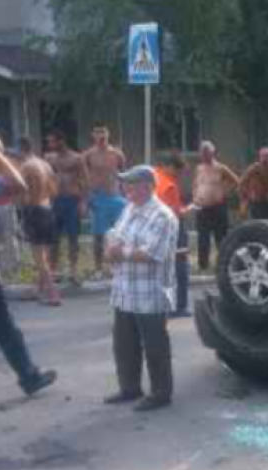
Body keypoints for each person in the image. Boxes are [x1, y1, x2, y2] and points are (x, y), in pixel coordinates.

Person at [0, 129, 58, 401]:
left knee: (8, 332)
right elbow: (19, 187)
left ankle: (30, 377)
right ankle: (29, 377)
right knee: (7, 333)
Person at [104, 165, 178, 412]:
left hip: (150, 292)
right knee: (124, 344)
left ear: (147, 186)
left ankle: (161, 393)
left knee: (155, 346)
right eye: (125, 184)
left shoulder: (163, 215)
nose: (126, 188)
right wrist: (111, 248)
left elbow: (152, 253)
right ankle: (130, 388)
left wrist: (119, 252)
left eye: (131, 184)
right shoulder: (129, 208)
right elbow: (115, 235)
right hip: (125, 290)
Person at [19, 137, 62, 306]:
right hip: (48, 209)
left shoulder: (25, 166)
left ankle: (53, 295)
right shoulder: (45, 165)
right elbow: (54, 190)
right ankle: (38, 290)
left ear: (21, 149)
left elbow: (20, 190)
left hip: (34, 211)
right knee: (44, 256)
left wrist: (23, 209)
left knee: (39, 259)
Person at [83, 124, 127, 278]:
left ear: (108, 136)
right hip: (97, 198)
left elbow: (124, 175)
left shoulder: (117, 154)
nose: (101, 138)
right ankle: (98, 268)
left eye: (103, 135)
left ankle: (117, 266)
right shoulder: (88, 155)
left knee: (119, 235)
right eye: (98, 134)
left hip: (115, 197)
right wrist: (86, 197)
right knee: (98, 236)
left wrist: (126, 196)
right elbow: (83, 177)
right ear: (93, 136)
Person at [45, 130, 89, 285]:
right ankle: (53, 270)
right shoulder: (49, 158)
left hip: (72, 201)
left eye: (52, 142)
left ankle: (73, 270)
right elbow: (45, 178)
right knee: (53, 238)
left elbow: (84, 180)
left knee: (73, 238)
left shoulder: (77, 158)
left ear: (61, 141)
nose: (50, 145)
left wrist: (83, 202)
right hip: (55, 201)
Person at [191, 141, 239, 271]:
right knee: (203, 238)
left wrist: (224, 192)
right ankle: (203, 265)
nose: (205, 155)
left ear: (213, 153)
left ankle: (225, 263)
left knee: (221, 237)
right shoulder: (199, 168)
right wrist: (195, 197)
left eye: (207, 152)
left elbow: (236, 181)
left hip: (218, 207)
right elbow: (195, 184)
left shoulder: (221, 168)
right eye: (202, 152)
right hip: (202, 208)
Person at [154, 152, 191, 318]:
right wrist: (188, 209)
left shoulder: (153, 177)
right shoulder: (169, 185)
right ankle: (180, 306)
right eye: (179, 172)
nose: (180, 176)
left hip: (156, 229)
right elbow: (175, 213)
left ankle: (161, 305)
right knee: (180, 268)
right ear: (171, 167)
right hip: (173, 230)